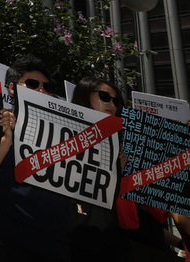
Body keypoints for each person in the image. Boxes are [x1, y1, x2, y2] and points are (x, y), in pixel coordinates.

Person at [0, 54, 67, 262]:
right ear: (12, 88)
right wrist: (7, 138)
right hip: (2, 232)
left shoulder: (66, 134)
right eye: (33, 84)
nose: (41, 90)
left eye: (47, 86)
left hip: (51, 240)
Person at [67, 76, 132, 261]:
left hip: (109, 234)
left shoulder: (119, 141)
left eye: (116, 100)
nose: (111, 103)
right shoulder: (64, 136)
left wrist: (118, 170)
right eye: (104, 96)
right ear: (84, 95)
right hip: (74, 230)